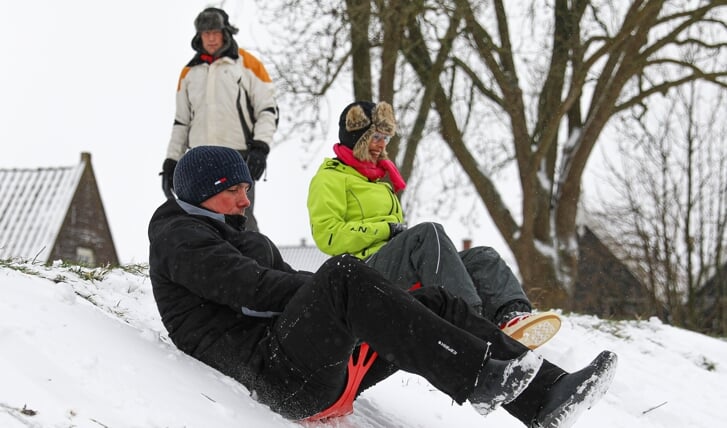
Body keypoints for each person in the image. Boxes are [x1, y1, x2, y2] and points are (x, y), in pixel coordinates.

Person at [148, 145, 617, 426]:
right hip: (283, 380)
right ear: (202, 190)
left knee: (432, 299)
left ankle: (545, 397)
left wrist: (375, 302)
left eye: (248, 189)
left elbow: (288, 280)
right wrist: (344, 294)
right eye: (234, 190)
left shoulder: (240, 235)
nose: (245, 200)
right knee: (344, 275)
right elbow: (250, 289)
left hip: (314, 367)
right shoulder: (178, 237)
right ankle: (480, 377)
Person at [307, 101, 559, 349]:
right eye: (375, 137)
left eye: (386, 138)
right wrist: (386, 230)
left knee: (482, 257)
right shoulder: (330, 179)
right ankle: (469, 322)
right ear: (356, 138)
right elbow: (328, 236)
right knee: (428, 233)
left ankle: (512, 319)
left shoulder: (377, 182)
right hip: (360, 275)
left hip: (393, 266)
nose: (382, 145)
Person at [159, 6, 279, 232]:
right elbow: (181, 122)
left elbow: (268, 109)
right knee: (199, 217)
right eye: (206, 33)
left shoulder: (248, 65)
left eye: (215, 32)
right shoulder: (188, 73)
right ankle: (204, 263)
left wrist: (261, 147)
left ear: (226, 33)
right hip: (200, 160)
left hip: (238, 157)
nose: (211, 38)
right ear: (199, 36)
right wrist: (171, 161)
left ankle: (255, 263)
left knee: (240, 216)